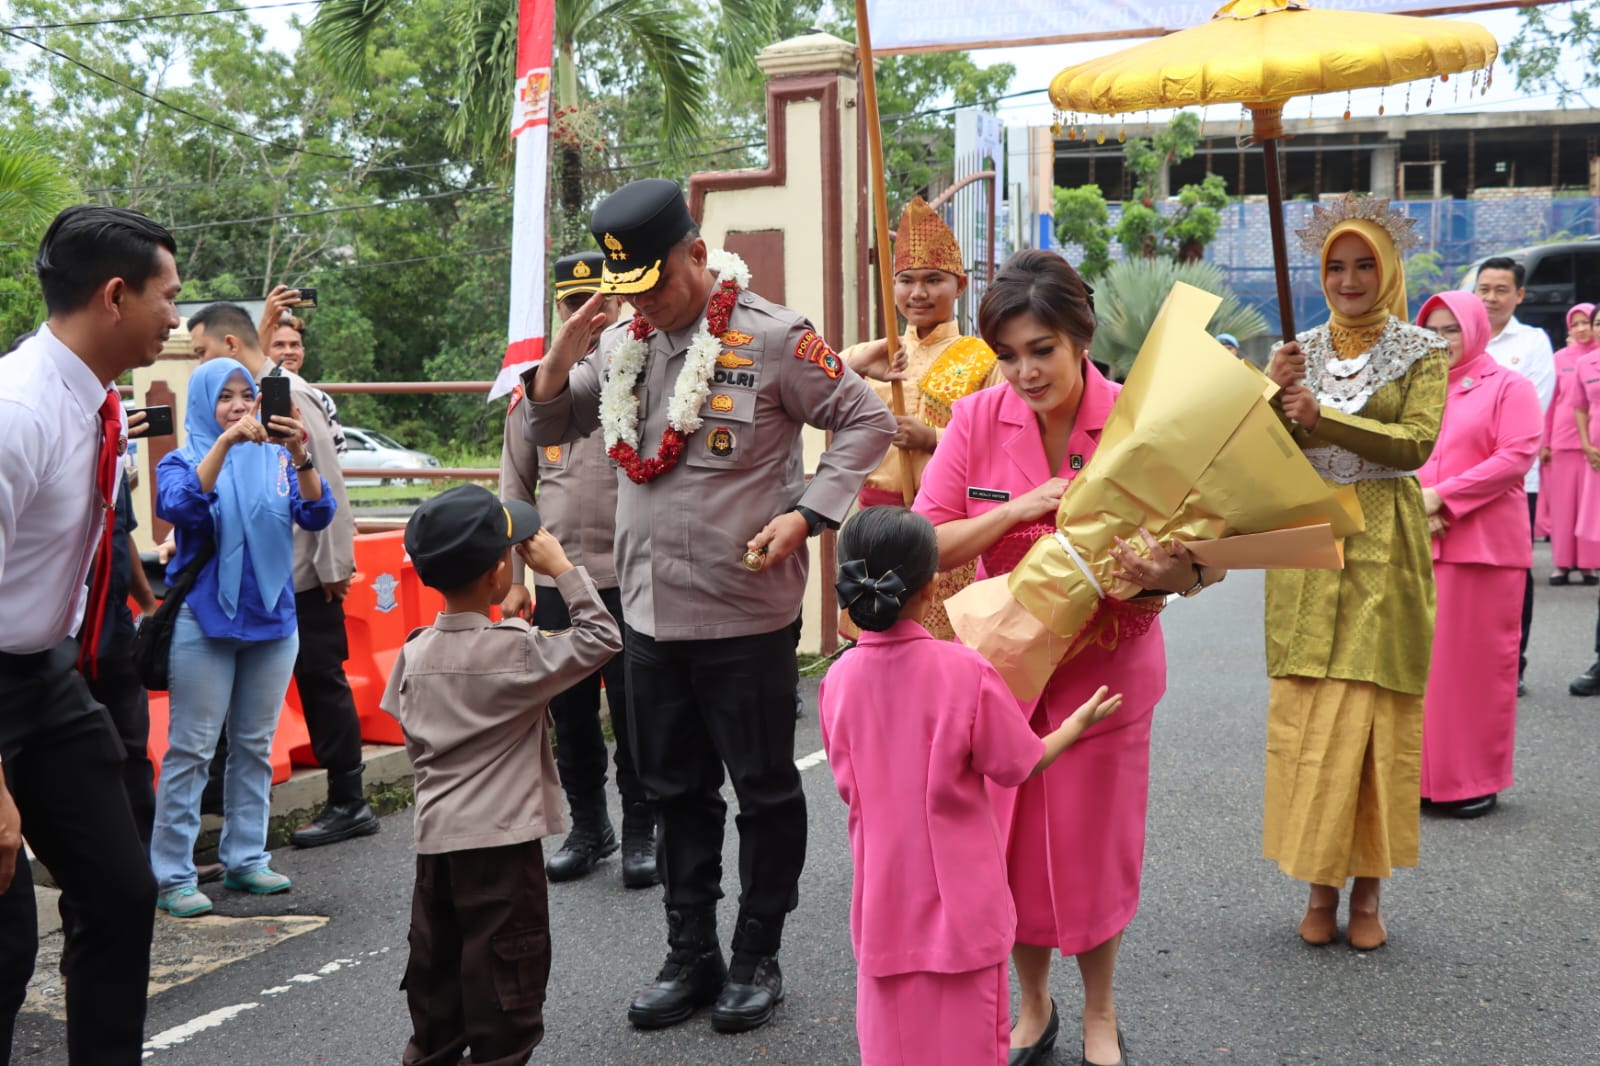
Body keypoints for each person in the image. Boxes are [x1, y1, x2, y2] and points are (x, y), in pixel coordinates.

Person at [525, 178, 895, 1034]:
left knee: (764, 791)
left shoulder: (772, 337)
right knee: (673, 791)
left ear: (697, 253)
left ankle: (758, 952)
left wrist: (807, 515)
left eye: (655, 283)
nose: (644, 303)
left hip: (745, 614)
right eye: (629, 291)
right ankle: (691, 952)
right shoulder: (622, 340)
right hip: (648, 617)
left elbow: (864, 420)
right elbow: (550, 427)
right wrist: (560, 352)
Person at [914, 249, 1222, 1066]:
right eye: (1008, 355)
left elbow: (1209, 554)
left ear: (1080, 337)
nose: (1023, 372)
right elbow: (927, 540)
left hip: (1107, 676)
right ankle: (1034, 1003)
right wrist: (1019, 507)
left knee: (1091, 853)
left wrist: (1175, 572)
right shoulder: (977, 420)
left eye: (1041, 350)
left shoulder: (1140, 420)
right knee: (1006, 850)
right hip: (1003, 677)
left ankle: (1101, 1010)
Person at [817, 507, 1122, 1066]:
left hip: (884, 903)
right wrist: (1075, 725)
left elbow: (846, 782)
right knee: (969, 1046)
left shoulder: (838, 680)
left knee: (893, 1048)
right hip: (963, 908)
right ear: (933, 587)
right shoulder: (963, 672)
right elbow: (1019, 764)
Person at [0, 205, 177, 1065]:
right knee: (5, 948)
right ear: (115, 296)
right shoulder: (17, 412)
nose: (177, 318)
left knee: (118, 892)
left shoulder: (99, 400)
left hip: (50, 676)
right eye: (167, 296)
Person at [1263, 196, 1449, 951]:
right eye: (1336, 265)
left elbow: (1415, 445)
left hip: (1384, 547)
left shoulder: (1422, 350)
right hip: (1307, 545)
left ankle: (1368, 894)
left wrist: (1323, 418)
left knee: (1374, 722)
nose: (1348, 278)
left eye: (1364, 263)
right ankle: (1318, 885)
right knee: (1309, 715)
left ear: (1389, 267)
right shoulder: (1295, 351)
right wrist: (1268, 397)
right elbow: (1263, 453)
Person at [384, 484, 622, 1066]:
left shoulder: (414, 652)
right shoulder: (518, 652)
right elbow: (601, 638)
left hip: (436, 848)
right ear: (499, 574)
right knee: (505, 998)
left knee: (437, 989)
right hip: (502, 847)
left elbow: (408, 731)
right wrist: (563, 570)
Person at [150, 358, 334, 917]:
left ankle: (246, 858)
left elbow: (318, 512)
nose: (237, 405)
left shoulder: (280, 460)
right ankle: (173, 875)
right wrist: (227, 443)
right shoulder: (185, 459)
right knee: (192, 750)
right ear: (206, 405)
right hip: (204, 623)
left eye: (246, 395)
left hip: (273, 621)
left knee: (254, 747)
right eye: (225, 397)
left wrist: (301, 451)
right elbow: (180, 508)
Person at [186, 303, 374, 847]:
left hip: (303, 572)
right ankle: (226, 805)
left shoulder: (284, 391)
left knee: (321, 680)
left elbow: (324, 476)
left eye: (200, 352)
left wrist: (336, 564)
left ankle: (349, 798)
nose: (200, 364)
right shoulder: (242, 405)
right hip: (259, 571)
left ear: (227, 344)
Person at [499, 251, 655, 887]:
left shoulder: (641, 380)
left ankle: (644, 828)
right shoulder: (533, 393)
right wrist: (514, 582)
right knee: (570, 713)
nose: (590, 314)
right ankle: (591, 827)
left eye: (601, 302)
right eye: (574, 304)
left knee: (634, 708)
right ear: (561, 310)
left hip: (629, 578)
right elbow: (515, 495)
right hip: (559, 581)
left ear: (618, 304)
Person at [839, 197, 996, 639]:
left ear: (960, 285)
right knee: (872, 647)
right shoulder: (875, 353)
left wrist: (933, 437)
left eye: (933, 280)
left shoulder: (982, 358)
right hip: (875, 524)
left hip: (941, 528)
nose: (919, 293)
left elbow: (997, 441)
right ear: (891, 285)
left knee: (936, 651)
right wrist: (852, 362)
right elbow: (812, 388)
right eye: (906, 281)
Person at [1415, 291, 1541, 819]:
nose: (1440, 341)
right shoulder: (1414, 392)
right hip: (1420, 543)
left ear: (1474, 329)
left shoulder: (1510, 386)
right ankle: (1425, 778)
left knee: (1474, 670)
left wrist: (1443, 497)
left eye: (1450, 330)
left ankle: (1475, 779)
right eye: (1431, 331)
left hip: (1482, 551)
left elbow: (1515, 455)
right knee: (1426, 671)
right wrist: (1414, 504)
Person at [1476, 256, 1555, 696]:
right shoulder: (1459, 340)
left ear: (1519, 295)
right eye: (1484, 289)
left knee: (1510, 578)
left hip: (1513, 484)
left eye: (1501, 289)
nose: (1491, 297)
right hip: (1454, 483)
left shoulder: (1535, 342)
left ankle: (1512, 664)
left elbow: (1532, 416)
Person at [1540, 304, 1598, 584]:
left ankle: (1588, 565)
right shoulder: (1559, 357)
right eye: (1574, 324)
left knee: (1590, 505)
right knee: (1563, 506)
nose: (1580, 328)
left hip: (1594, 442)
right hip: (1562, 441)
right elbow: (1551, 402)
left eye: (1585, 322)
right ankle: (1561, 564)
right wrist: (1545, 441)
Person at [259, 299, 347, 455]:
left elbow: (336, 452)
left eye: (294, 345)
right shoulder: (255, 397)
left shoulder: (321, 399)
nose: (289, 351)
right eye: (279, 345)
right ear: (265, 351)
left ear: (303, 351)